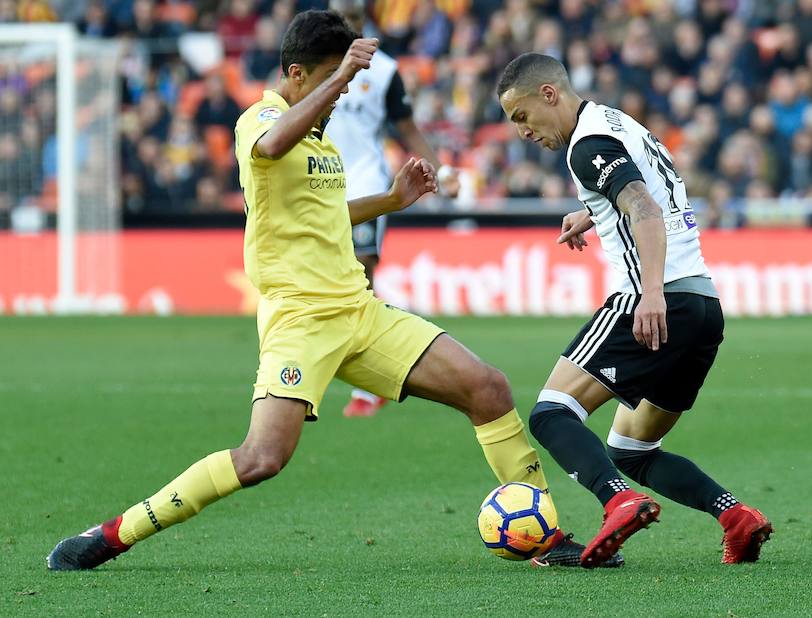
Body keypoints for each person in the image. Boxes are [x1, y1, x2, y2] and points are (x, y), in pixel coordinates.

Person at [47, 13, 613, 571]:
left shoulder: (321, 143)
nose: (340, 96)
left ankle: (546, 535)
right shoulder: (259, 119)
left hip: (359, 311)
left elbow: (327, 216)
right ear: (296, 74)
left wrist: (391, 202)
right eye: (328, 81)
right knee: (262, 458)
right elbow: (269, 146)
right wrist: (342, 76)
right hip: (302, 319)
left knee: (487, 388)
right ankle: (113, 534)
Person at [496, 53, 772, 568]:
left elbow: (644, 207)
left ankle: (617, 501)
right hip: (703, 307)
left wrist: (648, 294)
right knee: (632, 450)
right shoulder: (619, 123)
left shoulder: (588, 144)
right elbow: (656, 192)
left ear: (549, 94)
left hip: (654, 299)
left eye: (521, 116)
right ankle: (736, 517)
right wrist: (595, 212)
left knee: (552, 413)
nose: (521, 132)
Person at [327, 0, 458, 418]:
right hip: (320, 183)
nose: (345, 24)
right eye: (338, 18)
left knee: (361, 276)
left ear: (364, 20)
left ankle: (373, 381)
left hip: (365, 182)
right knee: (331, 279)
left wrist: (440, 170)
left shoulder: (382, 70)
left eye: (350, 19)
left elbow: (406, 128)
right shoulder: (316, 63)